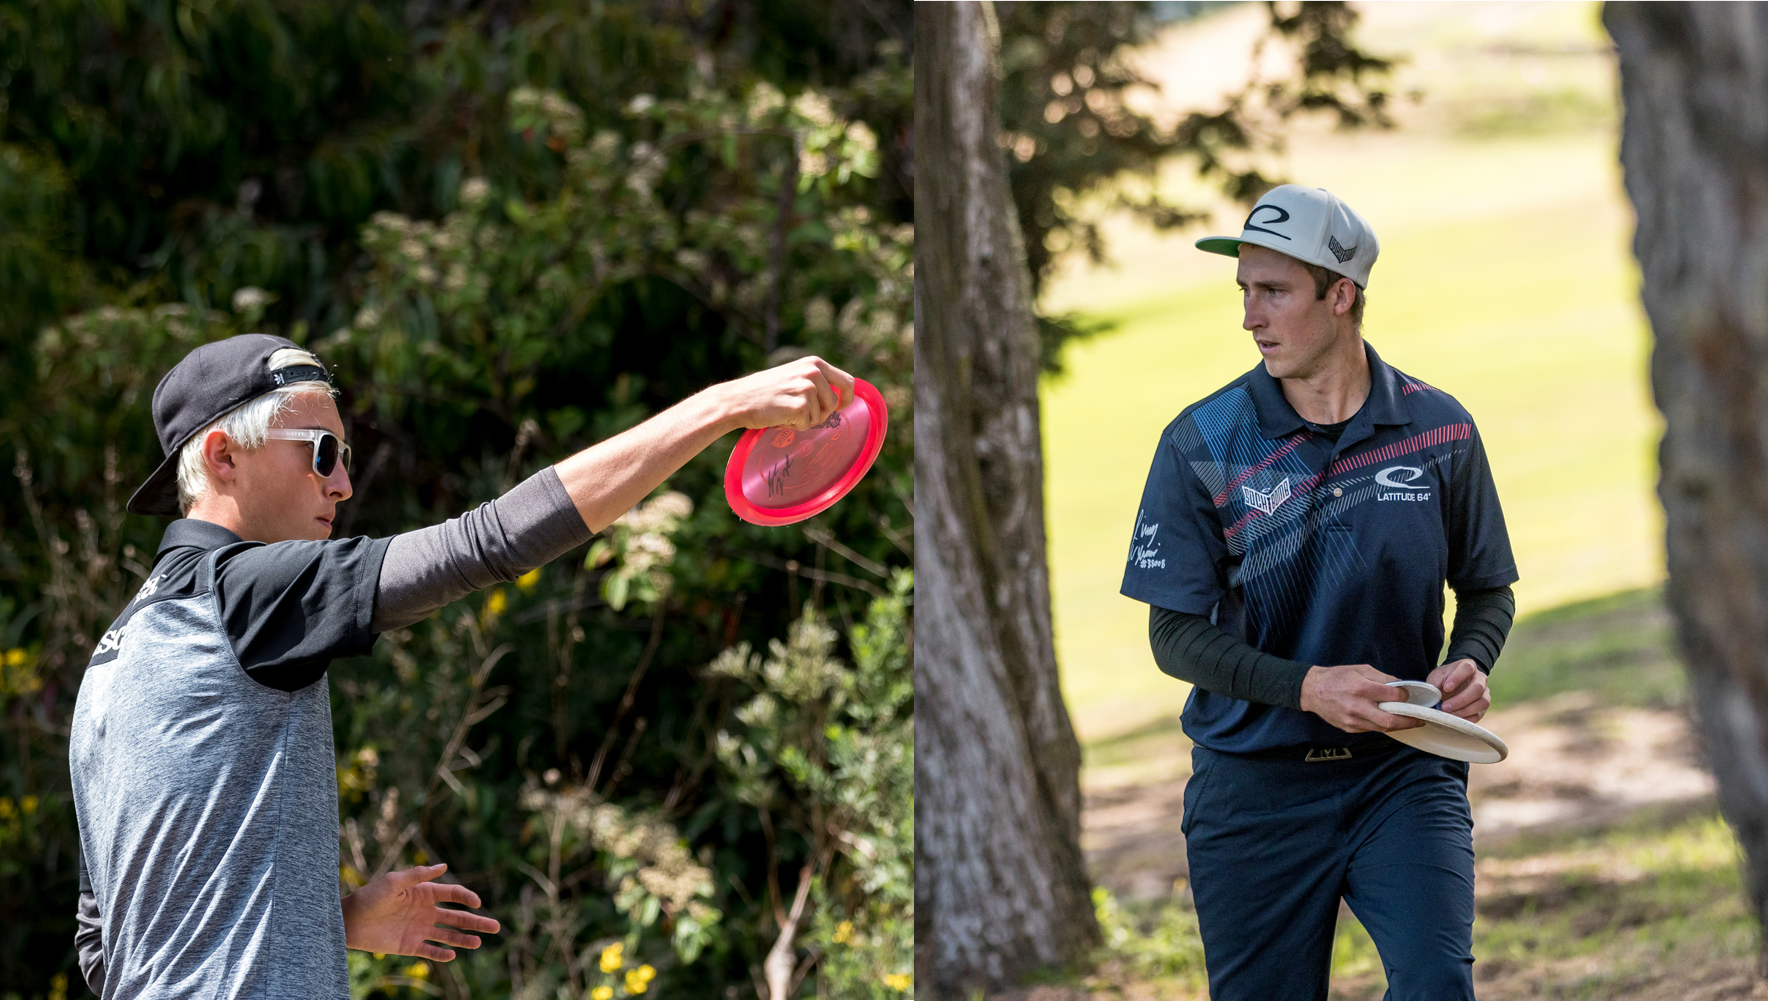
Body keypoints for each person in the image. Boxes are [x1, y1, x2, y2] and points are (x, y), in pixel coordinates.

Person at [69, 333, 853, 999]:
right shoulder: (245, 591)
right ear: (223, 457)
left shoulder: (114, 660)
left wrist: (326, 918)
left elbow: (110, 947)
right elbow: (486, 542)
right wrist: (720, 407)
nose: (342, 482)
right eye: (323, 453)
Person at [1118, 185, 1518, 999]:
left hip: (1402, 772)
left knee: (1438, 983)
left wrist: (1470, 661)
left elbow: (1486, 591)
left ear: (1342, 296)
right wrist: (1308, 686)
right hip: (1252, 790)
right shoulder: (1203, 442)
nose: (1250, 316)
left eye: (1274, 291)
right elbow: (1175, 636)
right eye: (1244, 291)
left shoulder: (1440, 431)